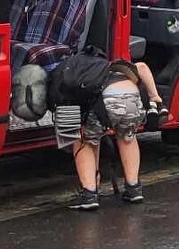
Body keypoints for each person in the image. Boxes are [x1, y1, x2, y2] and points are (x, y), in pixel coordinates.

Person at [48, 54, 148, 210]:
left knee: (84, 141)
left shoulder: (70, 73)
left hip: (106, 97)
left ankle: (89, 194)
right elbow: (141, 68)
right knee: (128, 137)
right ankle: (134, 189)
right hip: (130, 93)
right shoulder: (103, 66)